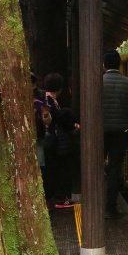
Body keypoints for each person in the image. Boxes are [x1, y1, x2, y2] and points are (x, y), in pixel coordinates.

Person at [101, 50, 128, 219]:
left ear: (103, 65)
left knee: (96, 167)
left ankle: (95, 205)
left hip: (99, 132)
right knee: (115, 169)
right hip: (121, 132)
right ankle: (110, 208)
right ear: (120, 64)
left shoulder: (97, 82)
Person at [42, 73, 77, 207]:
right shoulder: (49, 101)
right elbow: (57, 118)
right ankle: (59, 198)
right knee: (59, 169)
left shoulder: (47, 99)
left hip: (51, 140)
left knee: (54, 170)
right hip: (54, 141)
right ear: (60, 88)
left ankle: (55, 198)